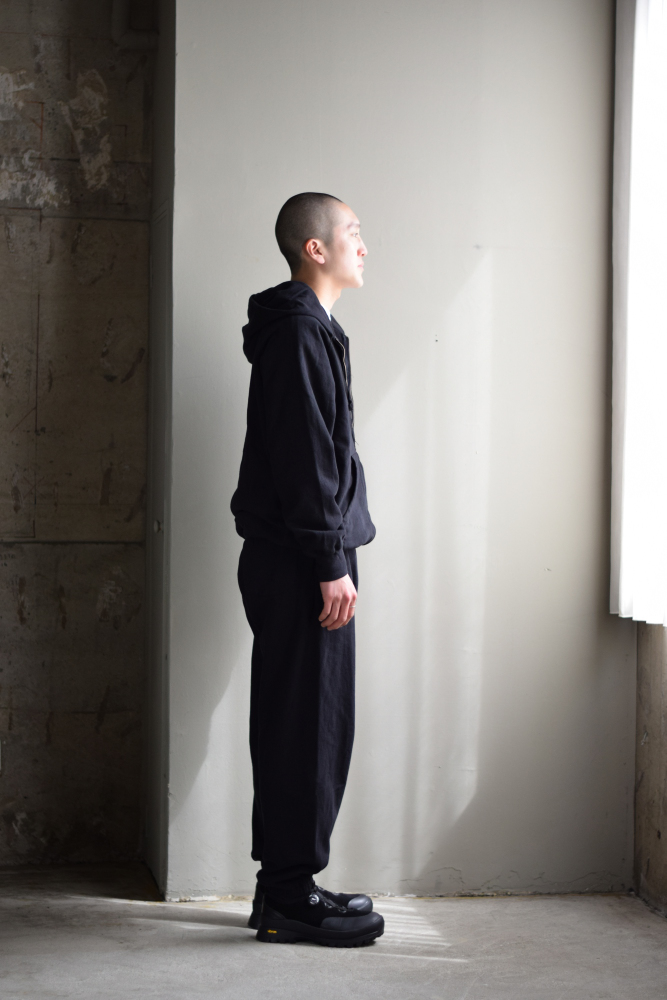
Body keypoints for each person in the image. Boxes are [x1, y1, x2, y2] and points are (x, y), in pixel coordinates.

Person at [230, 192, 383, 947]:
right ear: (314, 248)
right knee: (306, 727)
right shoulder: (297, 331)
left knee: (303, 722)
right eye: (352, 232)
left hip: (303, 554)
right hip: (303, 560)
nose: (364, 244)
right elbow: (305, 454)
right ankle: (291, 896)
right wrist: (328, 559)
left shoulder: (308, 328)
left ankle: (283, 889)